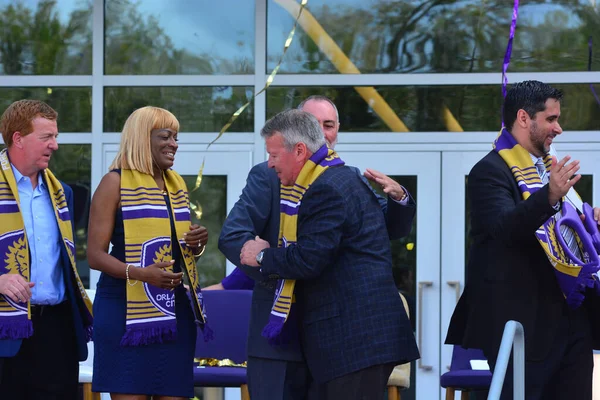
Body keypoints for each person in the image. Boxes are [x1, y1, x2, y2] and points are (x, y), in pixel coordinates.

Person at [213, 96, 416, 400]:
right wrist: (273, 272)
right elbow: (232, 236)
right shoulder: (270, 173)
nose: (321, 132)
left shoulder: (341, 178)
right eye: (313, 124)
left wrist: (400, 199)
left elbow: (375, 232)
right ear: (298, 136)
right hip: (281, 331)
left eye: (328, 125)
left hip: (337, 334)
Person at [446, 80, 600, 400]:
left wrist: (589, 223)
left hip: (572, 322)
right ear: (524, 118)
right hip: (522, 328)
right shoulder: (489, 171)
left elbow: (568, 236)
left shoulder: (549, 171)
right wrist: (549, 196)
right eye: (551, 119)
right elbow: (504, 229)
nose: (559, 129)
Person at [87, 106, 210, 399]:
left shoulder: (176, 185)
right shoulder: (114, 183)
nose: (174, 144)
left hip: (174, 310)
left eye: (176, 137)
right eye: (165, 136)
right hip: (123, 311)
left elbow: (176, 249)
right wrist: (140, 274)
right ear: (142, 138)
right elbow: (94, 255)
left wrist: (196, 244)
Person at [0, 100, 93, 399]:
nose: (54, 145)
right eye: (46, 137)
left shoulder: (61, 192)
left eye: (55, 137)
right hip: (5, 331)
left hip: (56, 329)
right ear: (17, 138)